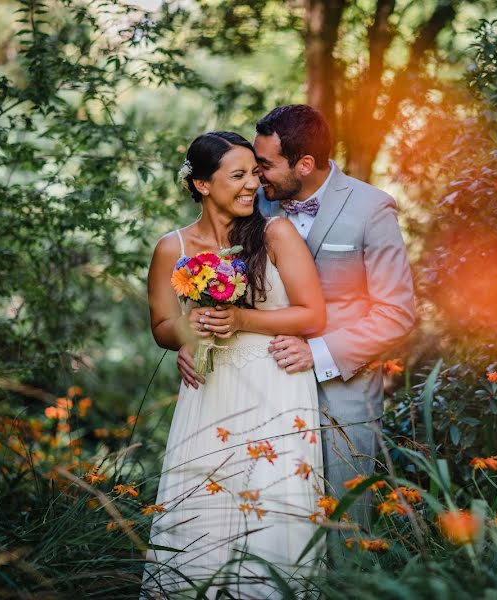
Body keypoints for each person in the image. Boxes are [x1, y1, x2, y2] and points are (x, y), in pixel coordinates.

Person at [179, 105, 416, 537]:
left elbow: (397, 313)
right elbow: (213, 277)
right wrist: (191, 340)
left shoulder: (371, 208)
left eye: (265, 165)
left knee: (344, 529)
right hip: (263, 392)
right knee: (270, 526)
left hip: (341, 394)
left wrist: (318, 353)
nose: (256, 177)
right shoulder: (253, 206)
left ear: (304, 164)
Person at [144, 131, 326, 597]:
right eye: (238, 175)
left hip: (277, 387)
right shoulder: (173, 247)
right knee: (203, 510)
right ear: (203, 185)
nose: (252, 184)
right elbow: (163, 325)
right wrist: (191, 331)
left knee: (274, 513)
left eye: (255, 173)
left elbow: (313, 314)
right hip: (211, 391)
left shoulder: (275, 232)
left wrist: (240, 317)